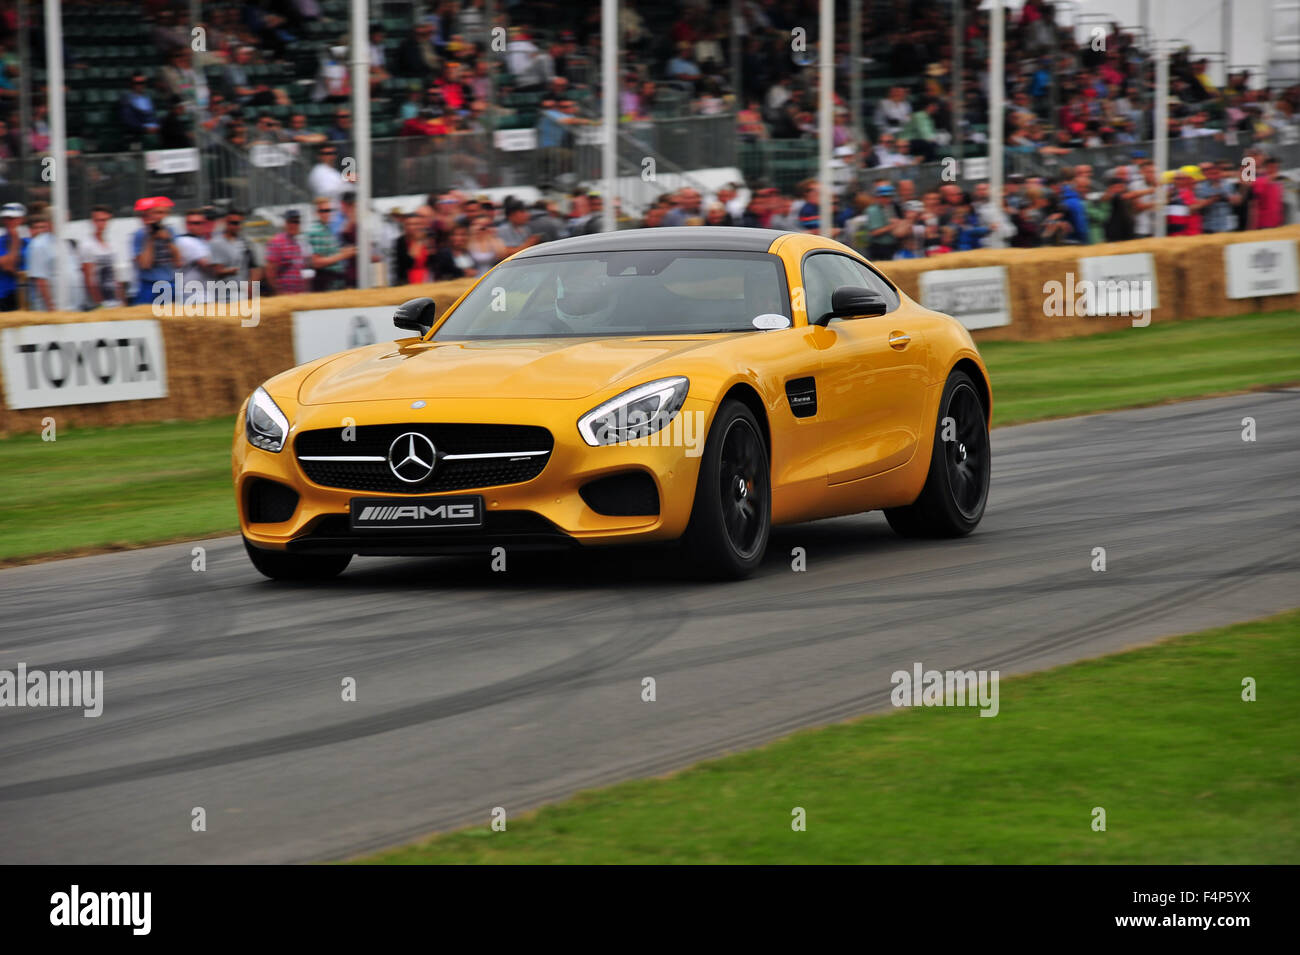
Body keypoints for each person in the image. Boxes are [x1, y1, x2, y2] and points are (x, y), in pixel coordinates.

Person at [131, 196, 180, 305]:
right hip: (149, 285)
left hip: (169, 283)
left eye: (163, 213)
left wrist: (167, 240)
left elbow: (178, 262)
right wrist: (151, 238)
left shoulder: (170, 231)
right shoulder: (140, 235)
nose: (161, 216)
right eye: (158, 213)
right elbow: (145, 264)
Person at [82, 205, 125, 308]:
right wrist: (99, 303)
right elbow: (89, 278)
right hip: (100, 302)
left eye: (104, 220)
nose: (101, 224)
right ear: (92, 221)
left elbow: (116, 275)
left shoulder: (112, 244)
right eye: (98, 220)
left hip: (114, 300)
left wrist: (122, 299)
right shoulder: (87, 245)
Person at [306, 197, 353, 291]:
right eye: (323, 211)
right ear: (317, 213)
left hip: (332, 280)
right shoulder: (316, 231)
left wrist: (342, 252)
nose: (327, 213)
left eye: (328, 210)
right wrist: (342, 255)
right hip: (326, 281)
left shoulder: (325, 228)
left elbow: (327, 254)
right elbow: (316, 262)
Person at [209, 207, 259, 285]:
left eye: (239, 223)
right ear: (226, 222)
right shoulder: (217, 243)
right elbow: (216, 271)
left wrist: (253, 288)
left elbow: (254, 267)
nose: (237, 226)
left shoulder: (245, 242)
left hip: (243, 290)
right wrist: (230, 271)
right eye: (233, 223)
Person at [264, 209, 308, 295]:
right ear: (286, 223)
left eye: (296, 222)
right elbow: (270, 272)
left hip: (298, 295)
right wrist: (279, 292)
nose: (293, 225)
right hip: (285, 296)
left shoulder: (297, 243)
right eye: (290, 222)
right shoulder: (277, 242)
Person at [394, 212, 433, 284]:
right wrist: (417, 241)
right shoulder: (400, 242)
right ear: (404, 226)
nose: (412, 227)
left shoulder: (429, 239)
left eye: (417, 224)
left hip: (428, 279)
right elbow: (407, 263)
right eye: (409, 224)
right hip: (408, 281)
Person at [0, 202, 25, 310]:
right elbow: (8, 267)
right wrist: (14, 240)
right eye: (6, 218)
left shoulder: (28, 241)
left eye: (12, 218)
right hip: (5, 295)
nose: (8, 221)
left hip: (25, 295)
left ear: (21, 219)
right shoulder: (1, 241)